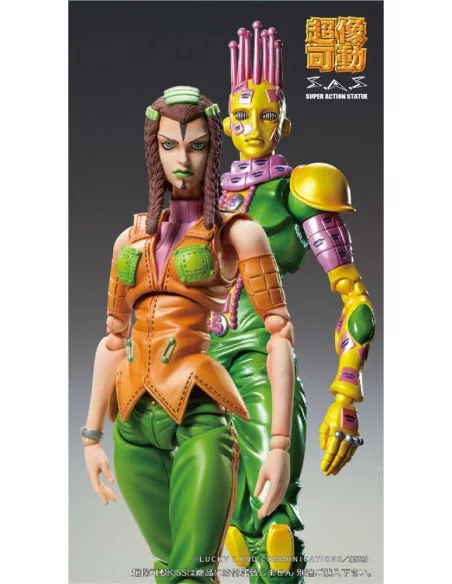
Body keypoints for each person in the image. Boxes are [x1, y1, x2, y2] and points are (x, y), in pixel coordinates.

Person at [81, 85, 297, 584]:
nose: (183, 160)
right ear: (154, 150)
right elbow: (113, 340)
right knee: (169, 567)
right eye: (169, 145)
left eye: (197, 146)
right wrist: (92, 437)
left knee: (191, 570)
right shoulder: (129, 240)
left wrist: (278, 445)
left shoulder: (237, 233)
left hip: (199, 415)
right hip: (132, 427)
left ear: (213, 149)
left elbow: (280, 333)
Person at [208, 23, 375, 583]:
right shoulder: (207, 198)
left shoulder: (300, 191)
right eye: (241, 115)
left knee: (273, 523)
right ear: (226, 124)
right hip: (196, 363)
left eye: (267, 114)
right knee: (223, 525)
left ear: (285, 122)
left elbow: (355, 302)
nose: (253, 127)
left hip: (260, 354)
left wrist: (346, 393)